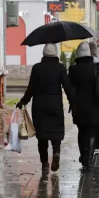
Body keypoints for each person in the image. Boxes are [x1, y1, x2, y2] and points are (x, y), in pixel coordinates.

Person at [16, 43, 74, 172]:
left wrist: (23, 101)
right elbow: (67, 87)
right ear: (55, 54)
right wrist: (73, 102)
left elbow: (31, 89)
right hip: (55, 104)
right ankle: (56, 152)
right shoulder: (60, 68)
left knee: (42, 135)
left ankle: (44, 164)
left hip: (39, 106)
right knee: (56, 131)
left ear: (43, 54)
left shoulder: (37, 68)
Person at [69, 42, 99, 168]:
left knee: (81, 131)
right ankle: (89, 157)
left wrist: (71, 102)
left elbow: (69, 88)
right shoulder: (96, 67)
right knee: (92, 131)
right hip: (95, 105)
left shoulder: (73, 69)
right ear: (89, 53)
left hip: (79, 107)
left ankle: (83, 155)